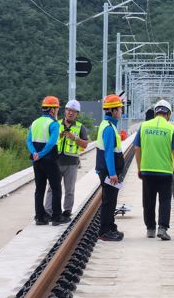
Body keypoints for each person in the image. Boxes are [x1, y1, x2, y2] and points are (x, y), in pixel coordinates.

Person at [135, 99, 174, 241]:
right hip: (165, 172)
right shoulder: (172, 129)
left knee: (148, 200)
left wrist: (139, 168)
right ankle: (162, 228)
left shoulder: (143, 127)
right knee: (165, 200)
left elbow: (137, 149)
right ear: (168, 114)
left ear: (156, 112)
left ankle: (150, 229)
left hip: (147, 170)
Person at [44, 99, 89, 222]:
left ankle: (67, 211)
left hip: (71, 163)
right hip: (56, 162)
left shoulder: (80, 127)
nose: (71, 113)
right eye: (69, 110)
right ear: (65, 111)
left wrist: (75, 138)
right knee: (52, 188)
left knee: (69, 189)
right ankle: (48, 211)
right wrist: (58, 136)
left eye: (74, 112)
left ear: (77, 114)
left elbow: (85, 144)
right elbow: (48, 140)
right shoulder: (55, 124)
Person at [27, 95, 66, 226]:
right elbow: (52, 142)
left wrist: (35, 153)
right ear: (52, 110)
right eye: (57, 109)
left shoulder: (35, 123)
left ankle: (39, 217)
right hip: (50, 160)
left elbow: (28, 140)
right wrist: (42, 153)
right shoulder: (53, 124)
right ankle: (56, 217)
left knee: (39, 189)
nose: (57, 111)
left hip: (37, 161)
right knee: (56, 188)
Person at [96, 94, 126, 241]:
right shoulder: (109, 128)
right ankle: (104, 231)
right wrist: (113, 173)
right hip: (109, 172)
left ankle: (110, 226)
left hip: (107, 170)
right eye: (120, 109)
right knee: (108, 201)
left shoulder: (108, 125)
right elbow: (108, 153)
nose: (121, 111)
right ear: (113, 111)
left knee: (111, 200)